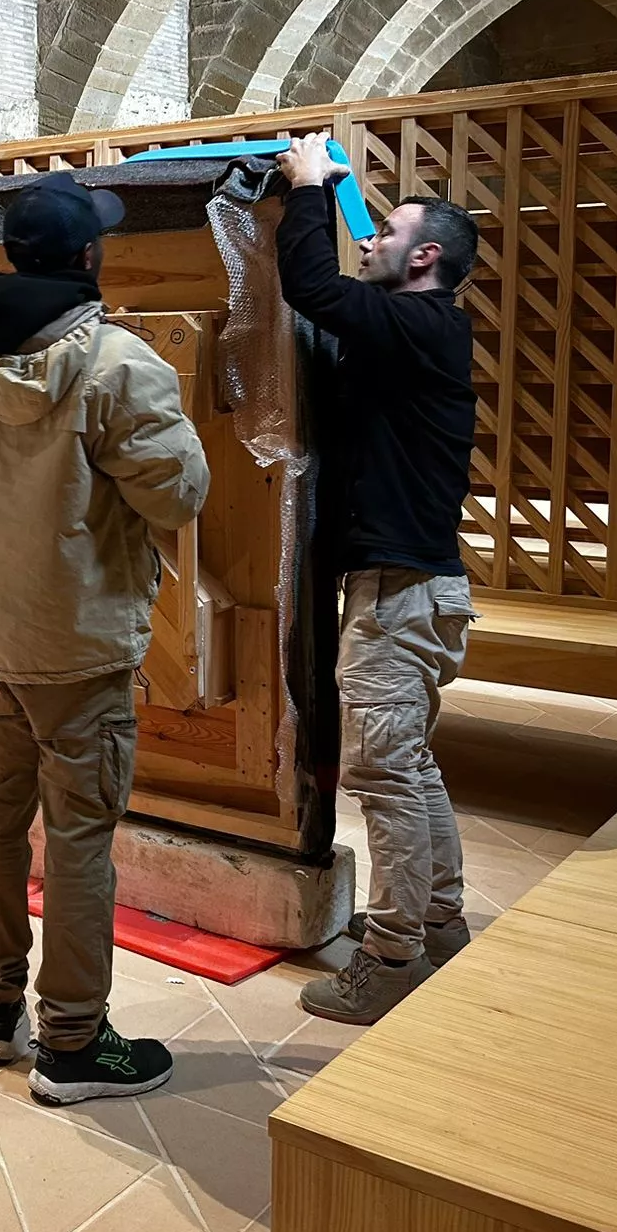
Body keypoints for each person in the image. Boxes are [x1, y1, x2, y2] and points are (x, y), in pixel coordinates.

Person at [0, 171, 210, 1107]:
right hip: (78, 646)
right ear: (89, 257)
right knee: (80, 837)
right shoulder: (118, 363)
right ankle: (75, 1043)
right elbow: (180, 494)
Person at [273, 131, 479, 1026]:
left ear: (425, 256)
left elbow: (313, 291)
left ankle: (391, 957)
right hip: (416, 587)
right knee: (409, 764)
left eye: (385, 231)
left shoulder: (421, 324)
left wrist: (309, 188)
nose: (371, 240)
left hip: (402, 593)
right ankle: (439, 919)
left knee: (382, 773)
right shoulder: (415, 334)